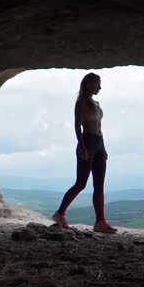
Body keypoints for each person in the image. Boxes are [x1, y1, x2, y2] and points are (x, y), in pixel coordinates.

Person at [52, 73, 118, 234]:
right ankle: (60, 214)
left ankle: (100, 222)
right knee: (81, 183)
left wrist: (103, 148)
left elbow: (99, 127)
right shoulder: (81, 103)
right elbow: (77, 126)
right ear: (88, 84)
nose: (100, 87)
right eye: (97, 84)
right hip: (87, 142)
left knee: (99, 185)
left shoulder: (96, 103)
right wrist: (82, 147)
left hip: (99, 144)